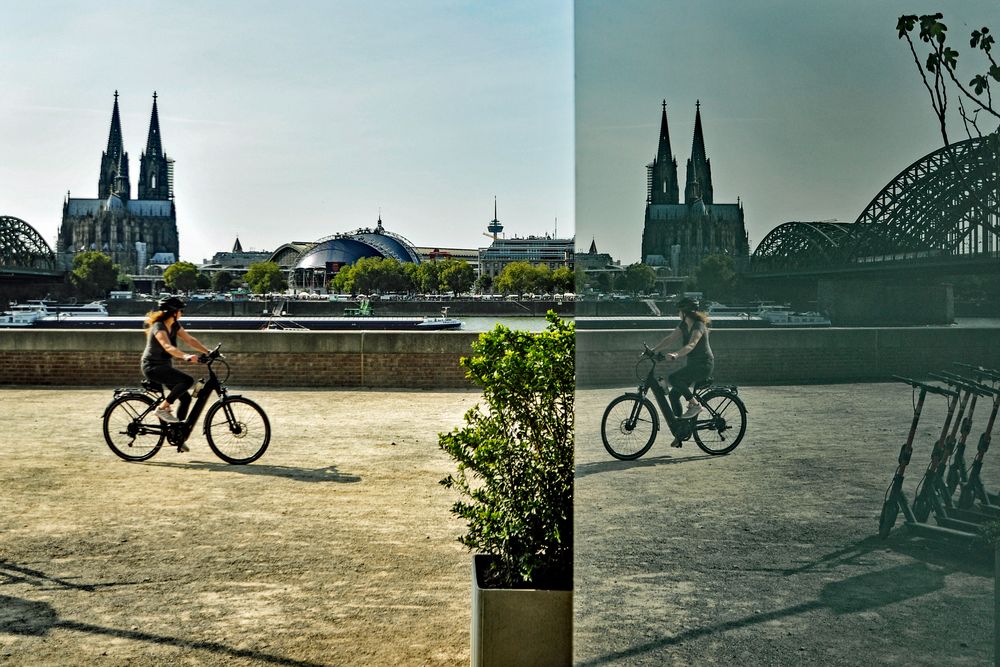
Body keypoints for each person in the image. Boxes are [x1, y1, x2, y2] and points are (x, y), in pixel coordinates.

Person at [141, 296, 211, 445]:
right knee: (187, 381)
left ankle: (177, 434)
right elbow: (167, 347)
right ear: (173, 312)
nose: (182, 313)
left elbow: (190, 340)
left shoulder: (174, 325)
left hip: (164, 367)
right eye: (180, 310)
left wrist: (208, 351)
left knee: (185, 399)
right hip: (152, 367)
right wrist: (186, 356)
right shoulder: (158, 326)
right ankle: (162, 408)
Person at [651, 297, 715, 447]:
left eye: (679, 311)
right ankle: (681, 430)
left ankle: (695, 405)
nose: (678, 314)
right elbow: (670, 338)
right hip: (693, 365)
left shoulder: (698, 325)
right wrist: (653, 350)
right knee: (673, 395)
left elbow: (692, 344)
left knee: (673, 378)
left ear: (684, 312)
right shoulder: (684, 325)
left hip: (703, 365)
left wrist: (676, 354)